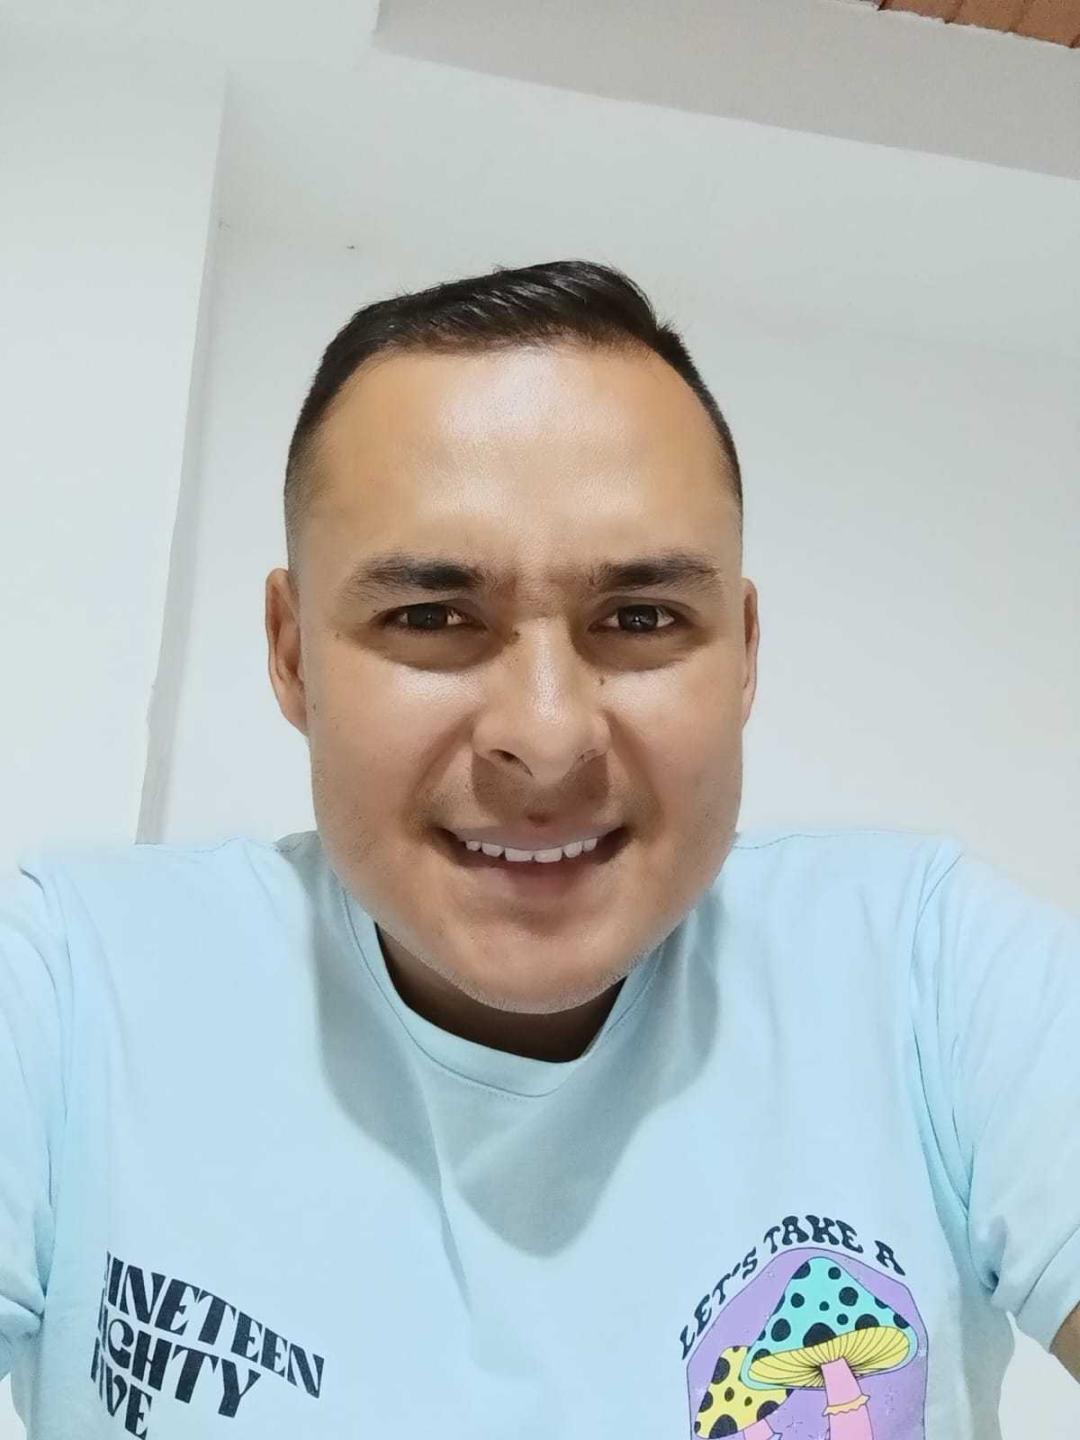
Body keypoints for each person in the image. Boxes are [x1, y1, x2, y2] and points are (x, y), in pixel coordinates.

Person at [1, 259, 1077, 1439]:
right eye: (431, 617)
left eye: (641, 618)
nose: (549, 738)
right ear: (293, 652)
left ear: (744, 653)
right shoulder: (70, 991)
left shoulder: (930, 979)